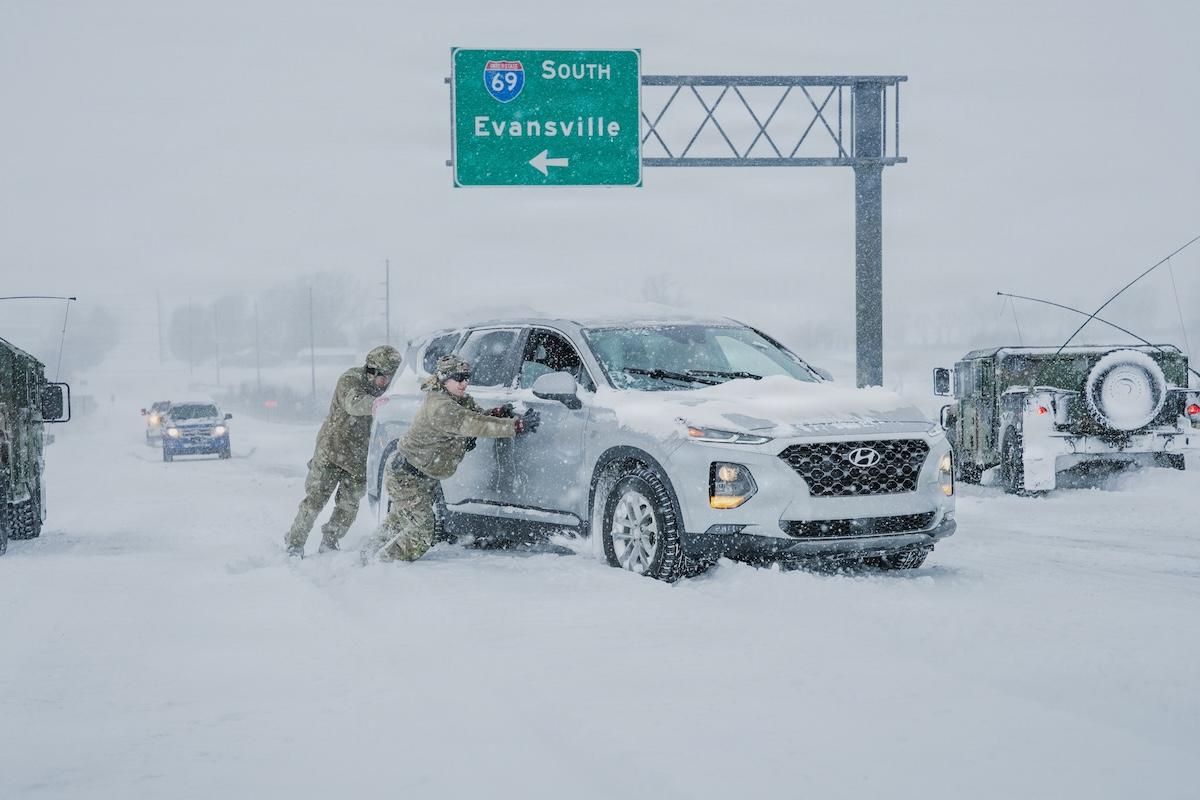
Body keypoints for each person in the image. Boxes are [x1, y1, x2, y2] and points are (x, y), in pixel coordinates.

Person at [362, 355, 540, 563]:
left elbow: (476, 415)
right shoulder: (441, 406)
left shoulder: (456, 397)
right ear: (445, 379)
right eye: (459, 378)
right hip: (407, 476)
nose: (465, 383)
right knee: (421, 535)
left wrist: (498, 412)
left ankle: (367, 554)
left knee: (401, 518)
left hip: (421, 475)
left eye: (467, 377)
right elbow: (473, 424)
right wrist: (515, 426)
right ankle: (382, 564)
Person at [285, 345, 403, 557]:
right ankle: (295, 543)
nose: (386, 382)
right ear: (371, 370)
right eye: (383, 377)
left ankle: (330, 541)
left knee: (347, 508)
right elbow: (353, 403)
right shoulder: (350, 379)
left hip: (359, 459)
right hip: (331, 451)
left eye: (391, 377)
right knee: (314, 502)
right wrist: (377, 404)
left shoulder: (388, 390)